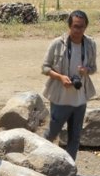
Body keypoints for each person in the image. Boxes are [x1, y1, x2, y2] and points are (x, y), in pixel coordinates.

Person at [41, 10, 96, 162]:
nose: (78, 30)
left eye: (82, 27)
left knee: (75, 136)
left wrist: (86, 71)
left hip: (80, 99)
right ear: (69, 26)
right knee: (51, 134)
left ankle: (69, 167)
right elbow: (45, 68)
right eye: (75, 27)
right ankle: (38, 160)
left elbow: (93, 68)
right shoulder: (57, 44)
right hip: (61, 99)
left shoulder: (90, 44)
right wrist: (60, 77)